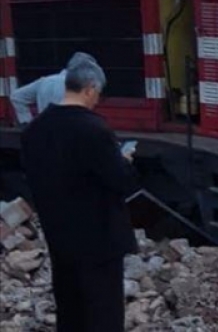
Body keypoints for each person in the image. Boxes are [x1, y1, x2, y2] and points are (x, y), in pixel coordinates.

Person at [21, 59, 138, 332]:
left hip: (60, 238)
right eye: (98, 93)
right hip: (100, 241)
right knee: (103, 314)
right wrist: (125, 160)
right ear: (89, 89)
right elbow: (121, 181)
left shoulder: (34, 131)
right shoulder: (94, 130)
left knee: (71, 311)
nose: (98, 100)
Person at [10, 52, 97, 125]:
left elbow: (17, 96)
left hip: (43, 132)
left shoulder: (45, 81)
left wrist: (27, 122)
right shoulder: (79, 86)